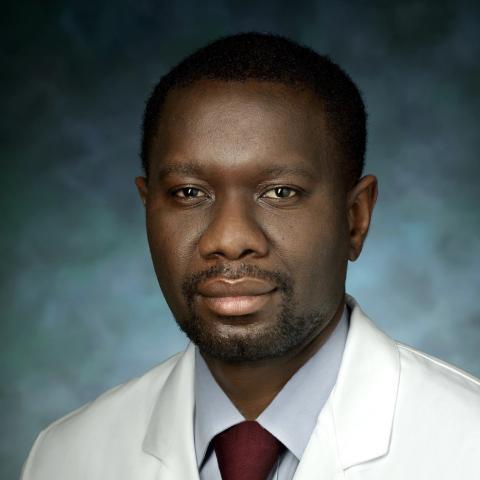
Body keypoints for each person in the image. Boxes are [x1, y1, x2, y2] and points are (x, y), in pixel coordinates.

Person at [21, 32, 480, 480]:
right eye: (189, 193)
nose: (229, 238)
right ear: (148, 208)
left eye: (280, 192)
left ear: (356, 218)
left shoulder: (467, 443)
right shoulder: (64, 458)